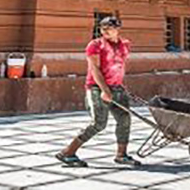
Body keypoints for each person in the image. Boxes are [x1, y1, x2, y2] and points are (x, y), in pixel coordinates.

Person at [56, 16, 141, 167]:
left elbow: (119, 66)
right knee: (98, 123)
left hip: (117, 87)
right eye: (103, 28)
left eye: (109, 28)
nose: (106, 31)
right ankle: (67, 153)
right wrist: (105, 90)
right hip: (97, 88)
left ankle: (121, 155)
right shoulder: (95, 45)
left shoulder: (125, 44)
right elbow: (94, 69)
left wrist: (119, 85)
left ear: (117, 29)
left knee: (124, 120)